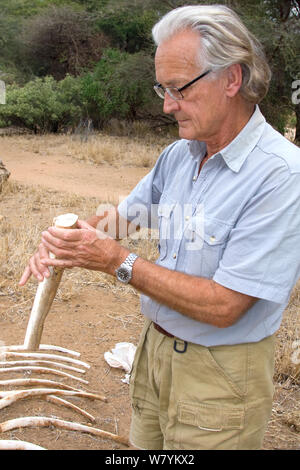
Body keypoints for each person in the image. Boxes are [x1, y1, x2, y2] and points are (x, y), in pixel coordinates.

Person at [19, 5, 300, 450]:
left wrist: (117, 262)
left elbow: (225, 306)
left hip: (220, 377)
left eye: (179, 89)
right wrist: (70, 237)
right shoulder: (180, 155)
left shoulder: (282, 176)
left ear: (232, 78)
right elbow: (126, 217)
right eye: (161, 89)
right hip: (154, 355)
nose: (168, 105)